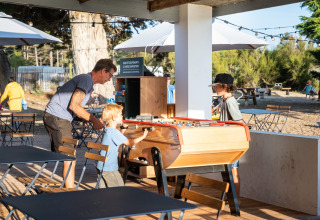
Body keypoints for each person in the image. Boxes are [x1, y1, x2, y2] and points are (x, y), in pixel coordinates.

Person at [43, 59, 117, 188]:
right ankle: (70, 193)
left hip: (59, 117)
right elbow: (74, 105)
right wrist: (93, 120)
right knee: (69, 158)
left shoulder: (87, 82)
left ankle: (68, 190)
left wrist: (90, 120)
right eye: (110, 75)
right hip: (57, 117)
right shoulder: (86, 80)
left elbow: (75, 109)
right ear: (103, 70)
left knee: (69, 157)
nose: (109, 79)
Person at [96, 103, 148, 188]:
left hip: (101, 165)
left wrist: (122, 131)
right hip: (109, 168)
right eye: (120, 115)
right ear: (113, 117)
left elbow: (115, 140)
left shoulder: (107, 129)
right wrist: (143, 136)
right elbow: (130, 142)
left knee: (104, 191)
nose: (122, 116)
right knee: (120, 189)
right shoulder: (114, 132)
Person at [209, 73, 242, 202]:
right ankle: (231, 198)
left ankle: (236, 200)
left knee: (233, 171)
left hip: (233, 141)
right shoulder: (224, 101)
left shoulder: (229, 101)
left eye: (217, 86)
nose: (215, 89)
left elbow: (239, 122)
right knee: (229, 171)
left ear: (225, 86)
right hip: (227, 140)